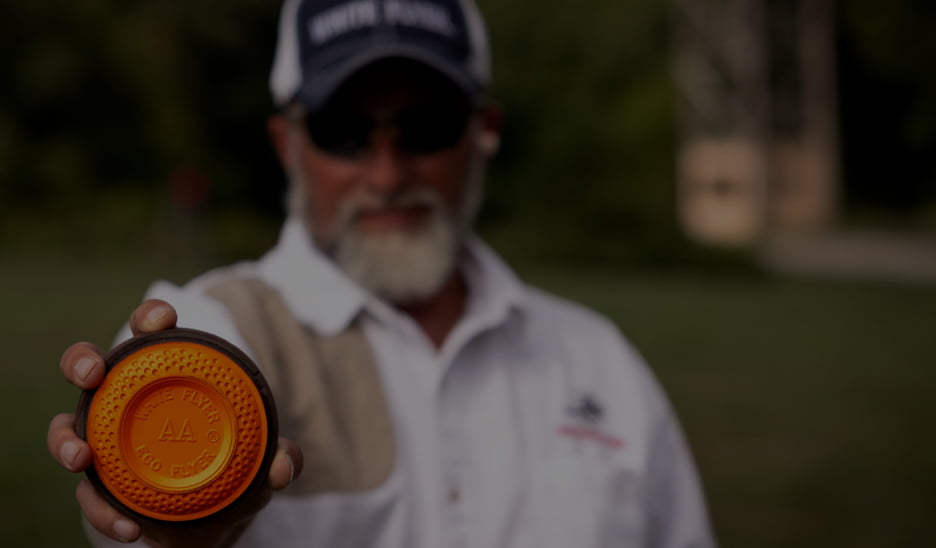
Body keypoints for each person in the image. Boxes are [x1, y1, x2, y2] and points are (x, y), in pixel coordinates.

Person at [47, 0, 717, 546]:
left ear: (483, 131)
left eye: (425, 127)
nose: (388, 174)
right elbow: (133, 519)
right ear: (288, 145)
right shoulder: (213, 328)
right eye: (345, 129)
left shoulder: (598, 359)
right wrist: (157, 513)